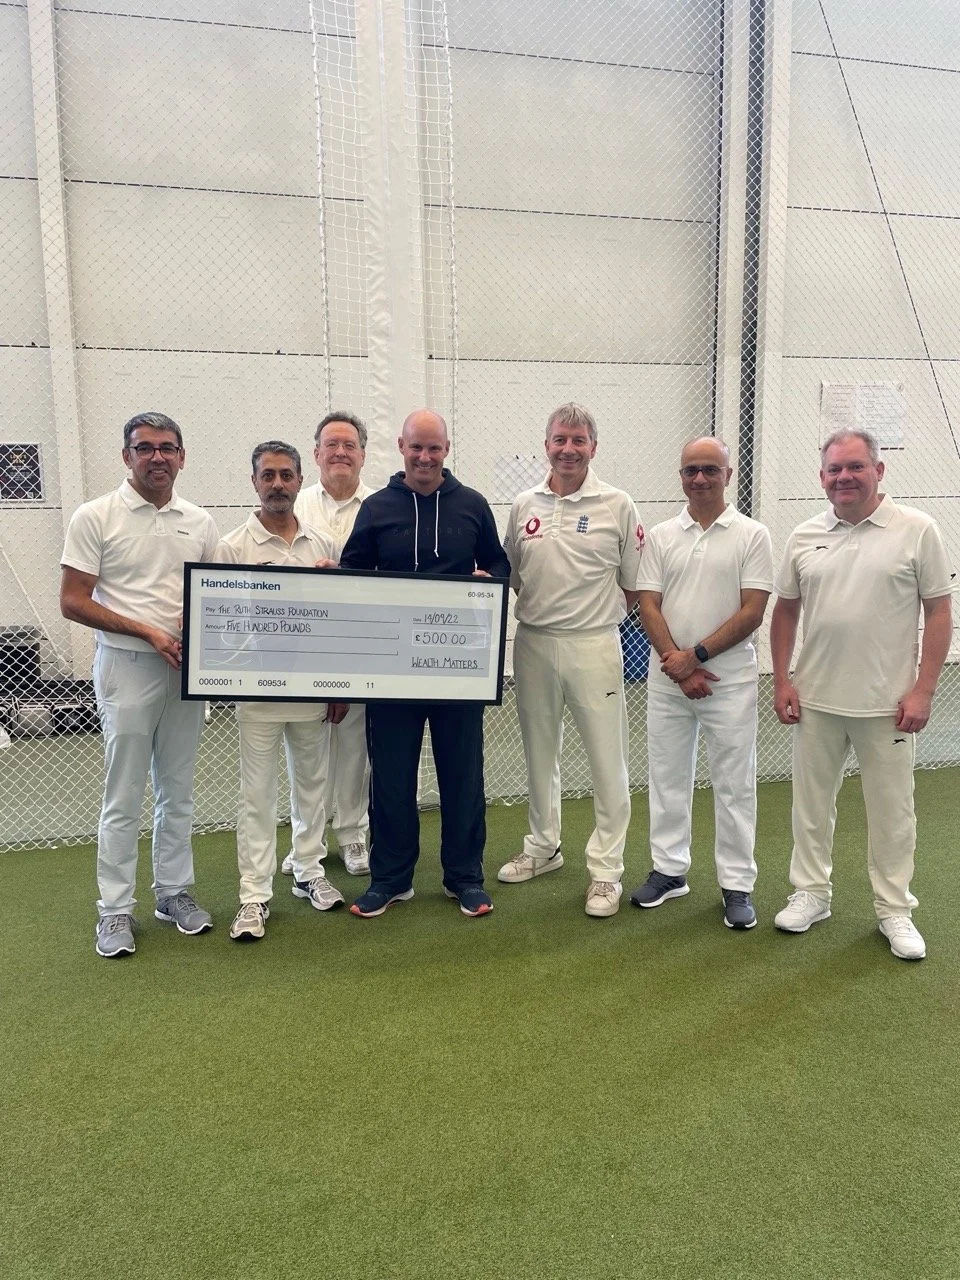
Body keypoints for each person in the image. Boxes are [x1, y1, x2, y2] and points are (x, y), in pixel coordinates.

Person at [770, 428, 953, 960]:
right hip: (816, 700)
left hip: (889, 707)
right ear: (821, 477)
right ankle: (811, 893)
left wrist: (923, 689)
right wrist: (783, 679)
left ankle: (895, 911)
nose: (844, 477)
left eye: (855, 467)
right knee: (810, 806)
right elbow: (785, 608)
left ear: (879, 471)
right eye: (834, 470)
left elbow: (938, 610)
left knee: (893, 812)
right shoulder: (804, 535)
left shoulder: (917, 530)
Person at [60, 411, 219, 958]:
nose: (157, 456)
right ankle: (114, 911)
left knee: (177, 790)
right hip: (126, 667)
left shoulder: (199, 522)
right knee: (123, 794)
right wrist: (148, 632)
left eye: (168, 447)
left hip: (184, 672)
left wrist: (201, 649)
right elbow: (73, 601)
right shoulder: (94, 516)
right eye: (145, 447)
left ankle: (173, 893)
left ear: (182, 456)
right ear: (126, 455)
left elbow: (216, 601)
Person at [339, 409, 510, 918]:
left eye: (434, 448)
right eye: (417, 447)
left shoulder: (473, 506)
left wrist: (487, 580)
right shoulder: (376, 508)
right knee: (391, 778)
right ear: (401, 447)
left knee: (463, 775)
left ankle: (465, 878)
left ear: (446, 450)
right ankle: (391, 879)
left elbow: (499, 566)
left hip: (458, 670)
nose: (425, 457)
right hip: (391, 671)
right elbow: (352, 572)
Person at [498, 403, 644, 918]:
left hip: (594, 645)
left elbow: (634, 584)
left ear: (593, 447)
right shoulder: (523, 504)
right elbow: (513, 575)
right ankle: (544, 848)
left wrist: (589, 620)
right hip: (533, 642)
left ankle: (605, 872)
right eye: (560, 439)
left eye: (578, 440)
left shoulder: (617, 503)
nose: (568, 449)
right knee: (540, 753)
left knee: (608, 761)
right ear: (546, 445)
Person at [629, 437, 773, 928]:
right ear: (682, 475)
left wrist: (697, 657)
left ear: (728, 475)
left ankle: (737, 884)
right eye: (691, 469)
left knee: (734, 784)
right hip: (668, 678)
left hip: (728, 681)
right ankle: (670, 871)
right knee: (667, 777)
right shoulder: (663, 534)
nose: (700, 478)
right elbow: (647, 603)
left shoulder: (752, 535)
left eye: (710, 469)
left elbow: (753, 610)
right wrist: (676, 662)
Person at [213, 441, 346, 943]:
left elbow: (335, 621)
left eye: (286, 476)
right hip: (258, 695)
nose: (277, 484)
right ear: (254, 482)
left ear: (298, 480)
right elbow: (220, 628)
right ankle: (253, 898)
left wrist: (336, 685)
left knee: (313, 788)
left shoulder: (321, 545)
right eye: (267, 476)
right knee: (257, 797)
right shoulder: (231, 548)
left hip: (312, 691)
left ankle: (309, 870)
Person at [280, 411, 374, 878]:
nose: (340, 452)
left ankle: (354, 835)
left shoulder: (380, 506)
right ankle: (306, 841)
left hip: (361, 647)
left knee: (354, 744)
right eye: (331, 445)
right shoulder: (295, 505)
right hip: (304, 647)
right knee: (307, 747)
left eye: (349, 445)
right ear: (315, 453)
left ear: (363, 454)